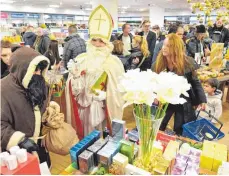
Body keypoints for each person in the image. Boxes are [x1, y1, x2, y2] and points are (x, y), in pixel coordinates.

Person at [65, 5, 125, 136]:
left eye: (101, 41)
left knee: (102, 140)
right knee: (86, 140)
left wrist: (106, 95)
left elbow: (119, 93)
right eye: (94, 40)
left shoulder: (114, 63)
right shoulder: (81, 59)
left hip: (103, 109)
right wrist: (75, 78)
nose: (97, 44)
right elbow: (73, 92)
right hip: (84, 111)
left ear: (107, 43)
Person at [1, 47, 51, 166]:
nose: (38, 73)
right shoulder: (3, 91)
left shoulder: (40, 84)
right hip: (17, 154)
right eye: (34, 69)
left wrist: (50, 110)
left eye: (40, 69)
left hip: (41, 146)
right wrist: (20, 140)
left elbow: (41, 108)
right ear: (22, 69)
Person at [153, 33, 206, 135]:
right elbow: (153, 82)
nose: (164, 48)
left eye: (168, 46)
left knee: (181, 127)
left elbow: (195, 82)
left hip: (183, 100)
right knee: (158, 125)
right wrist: (155, 95)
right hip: (164, 101)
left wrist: (202, 99)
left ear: (176, 48)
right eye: (164, 44)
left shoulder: (187, 62)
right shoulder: (158, 64)